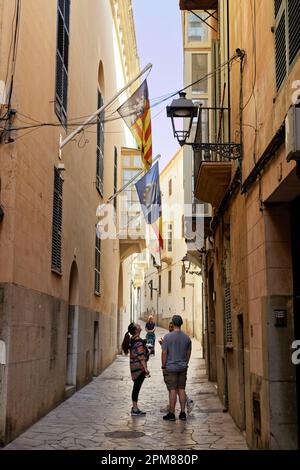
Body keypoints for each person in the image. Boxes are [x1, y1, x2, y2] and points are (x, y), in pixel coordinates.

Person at [159, 321, 194, 415]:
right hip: (182, 367)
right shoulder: (186, 338)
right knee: (181, 389)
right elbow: (189, 352)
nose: (170, 328)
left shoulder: (167, 337)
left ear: (174, 324)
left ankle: (172, 413)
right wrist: (185, 362)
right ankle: (183, 413)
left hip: (171, 367)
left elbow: (164, 352)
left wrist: (163, 365)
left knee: (172, 390)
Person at [122, 323, 150, 416]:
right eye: (137, 325)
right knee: (136, 388)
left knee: (136, 387)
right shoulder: (138, 341)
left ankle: (135, 407)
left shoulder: (133, 339)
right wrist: (145, 369)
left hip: (134, 367)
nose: (139, 325)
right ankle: (134, 408)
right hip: (139, 369)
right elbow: (141, 356)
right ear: (135, 330)